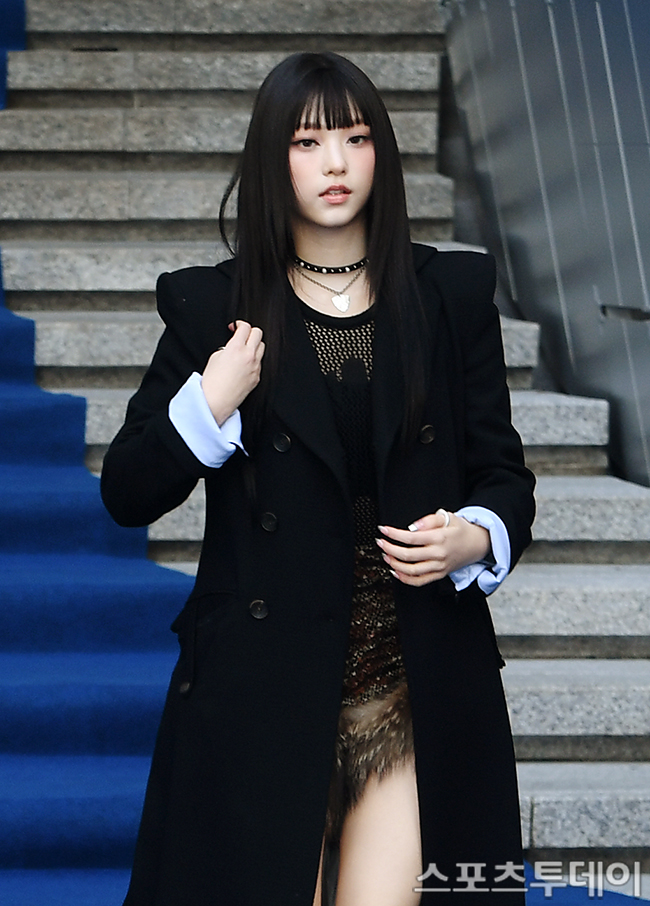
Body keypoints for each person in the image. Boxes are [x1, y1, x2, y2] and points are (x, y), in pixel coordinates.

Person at [101, 51, 536, 906]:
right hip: (262, 688)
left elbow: (503, 472)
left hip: (408, 680)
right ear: (274, 159)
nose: (335, 162)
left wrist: (474, 535)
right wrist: (209, 402)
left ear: (382, 153)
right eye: (307, 142)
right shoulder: (213, 307)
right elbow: (127, 491)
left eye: (355, 137)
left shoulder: (447, 294)